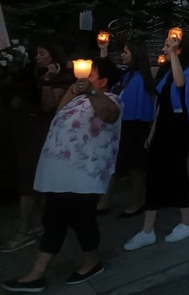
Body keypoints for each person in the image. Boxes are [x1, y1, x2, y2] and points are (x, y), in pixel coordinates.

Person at [2, 58, 122, 292]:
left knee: (82, 220)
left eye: (91, 74)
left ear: (103, 81)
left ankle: (91, 262)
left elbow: (110, 115)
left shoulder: (111, 99)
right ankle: (37, 273)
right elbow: (59, 111)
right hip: (60, 173)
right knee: (54, 219)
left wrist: (92, 92)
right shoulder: (79, 99)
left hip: (83, 175)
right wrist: (73, 88)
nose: (85, 77)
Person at [124, 33, 189, 251]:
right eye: (166, 45)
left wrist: (174, 52)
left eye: (169, 46)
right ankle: (147, 230)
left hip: (179, 129)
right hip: (164, 128)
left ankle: (187, 222)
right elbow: (161, 105)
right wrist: (152, 132)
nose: (164, 49)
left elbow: (180, 82)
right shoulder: (166, 71)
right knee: (155, 176)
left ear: (178, 49)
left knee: (176, 174)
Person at [1, 42, 74, 254]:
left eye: (42, 53)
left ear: (54, 56)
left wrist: (49, 79)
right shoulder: (34, 72)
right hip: (27, 130)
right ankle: (47, 223)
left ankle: (26, 230)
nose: (38, 57)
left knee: (29, 179)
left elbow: (48, 105)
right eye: (37, 53)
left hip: (41, 132)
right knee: (37, 180)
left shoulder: (62, 77)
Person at [99, 40, 156, 218]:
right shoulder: (128, 75)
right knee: (121, 165)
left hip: (135, 127)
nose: (122, 55)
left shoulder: (139, 79)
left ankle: (138, 200)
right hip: (125, 125)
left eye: (126, 52)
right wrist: (103, 50)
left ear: (135, 55)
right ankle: (104, 201)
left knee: (135, 167)